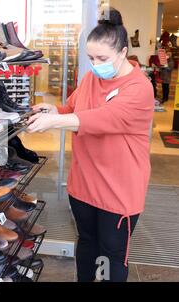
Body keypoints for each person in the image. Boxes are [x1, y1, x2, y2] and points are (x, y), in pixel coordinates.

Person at [27, 8, 154, 282]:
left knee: (111, 256)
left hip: (118, 192)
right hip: (84, 184)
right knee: (86, 244)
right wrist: (53, 111)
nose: (95, 64)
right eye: (90, 58)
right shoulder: (90, 79)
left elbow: (104, 118)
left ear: (122, 52)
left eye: (102, 58)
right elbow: (72, 108)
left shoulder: (139, 87)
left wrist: (55, 123)